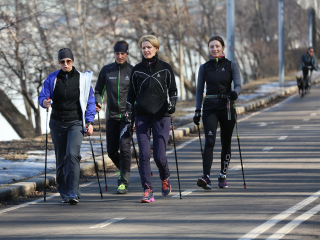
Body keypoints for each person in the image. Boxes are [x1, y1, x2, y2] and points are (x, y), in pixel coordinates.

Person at [38, 48, 95, 205]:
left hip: (75, 122)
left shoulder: (82, 79)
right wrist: (44, 102)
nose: (65, 64)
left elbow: (90, 101)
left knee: (72, 154)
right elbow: (43, 95)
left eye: (68, 61)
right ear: (59, 63)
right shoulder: (53, 78)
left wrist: (89, 122)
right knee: (61, 158)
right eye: (62, 62)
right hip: (57, 123)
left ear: (72, 61)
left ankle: (73, 192)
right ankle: (65, 193)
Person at [125, 35, 178, 203]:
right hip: (141, 116)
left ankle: (165, 178)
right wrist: (129, 112)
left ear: (156, 48)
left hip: (161, 116)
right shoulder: (137, 70)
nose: (146, 50)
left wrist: (172, 105)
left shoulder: (165, 68)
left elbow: (173, 91)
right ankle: (147, 189)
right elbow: (131, 94)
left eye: (149, 47)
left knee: (160, 156)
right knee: (143, 155)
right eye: (143, 48)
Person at [193, 36, 241, 190]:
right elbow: (200, 90)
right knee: (210, 141)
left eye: (217, 46)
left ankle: (222, 175)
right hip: (210, 108)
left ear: (222, 48)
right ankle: (206, 177)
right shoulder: (204, 67)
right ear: (209, 49)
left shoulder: (231, 65)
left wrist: (235, 93)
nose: (214, 49)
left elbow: (239, 85)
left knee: (226, 142)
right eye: (211, 47)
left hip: (227, 107)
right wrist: (197, 110)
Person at [94, 40, 133, 194]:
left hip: (126, 117)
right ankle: (123, 170)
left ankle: (123, 181)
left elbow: (136, 95)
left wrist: (134, 113)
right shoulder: (106, 71)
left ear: (127, 54)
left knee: (124, 149)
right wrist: (98, 102)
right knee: (111, 152)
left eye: (122, 53)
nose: (119, 56)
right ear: (114, 54)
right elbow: (98, 91)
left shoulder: (132, 71)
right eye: (117, 53)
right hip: (111, 117)